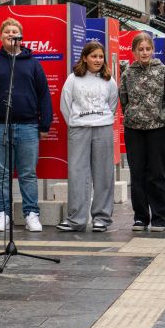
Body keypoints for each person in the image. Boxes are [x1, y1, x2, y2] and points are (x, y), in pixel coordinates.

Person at [0, 18, 52, 232]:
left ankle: (31, 214)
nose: (11, 34)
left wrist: (44, 125)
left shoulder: (33, 64)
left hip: (28, 127)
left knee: (27, 173)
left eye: (14, 31)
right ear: (0, 37)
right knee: (1, 173)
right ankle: (2, 214)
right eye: (7, 31)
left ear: (21, 36)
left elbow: (44, 94)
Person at [58, 41, 118, 232]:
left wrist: (100, 119)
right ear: (85, 58)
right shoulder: (73, 79)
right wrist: (77, 122)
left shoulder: (109, 80)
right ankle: (77, 219)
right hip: (79, 130)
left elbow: (113, 104)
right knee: (77, 174)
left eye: (101, 56)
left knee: (104, 174)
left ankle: (101, 218)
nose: (98, 60)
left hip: (103, 129)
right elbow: (65, 105)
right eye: (94, 56)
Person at [120, 33, 165, 231]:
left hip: (158, 129)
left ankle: (160, 217)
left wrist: (164, 119)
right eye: (140, 49)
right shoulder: (127, 73)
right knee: (137, 173)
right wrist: (135, 114)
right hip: (134, 129)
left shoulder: (164, 71)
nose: (144, 53)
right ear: (134, 51)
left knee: (157, 173)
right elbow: (123, 98)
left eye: (147, 49)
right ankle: (141, 217)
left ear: (153, 50)